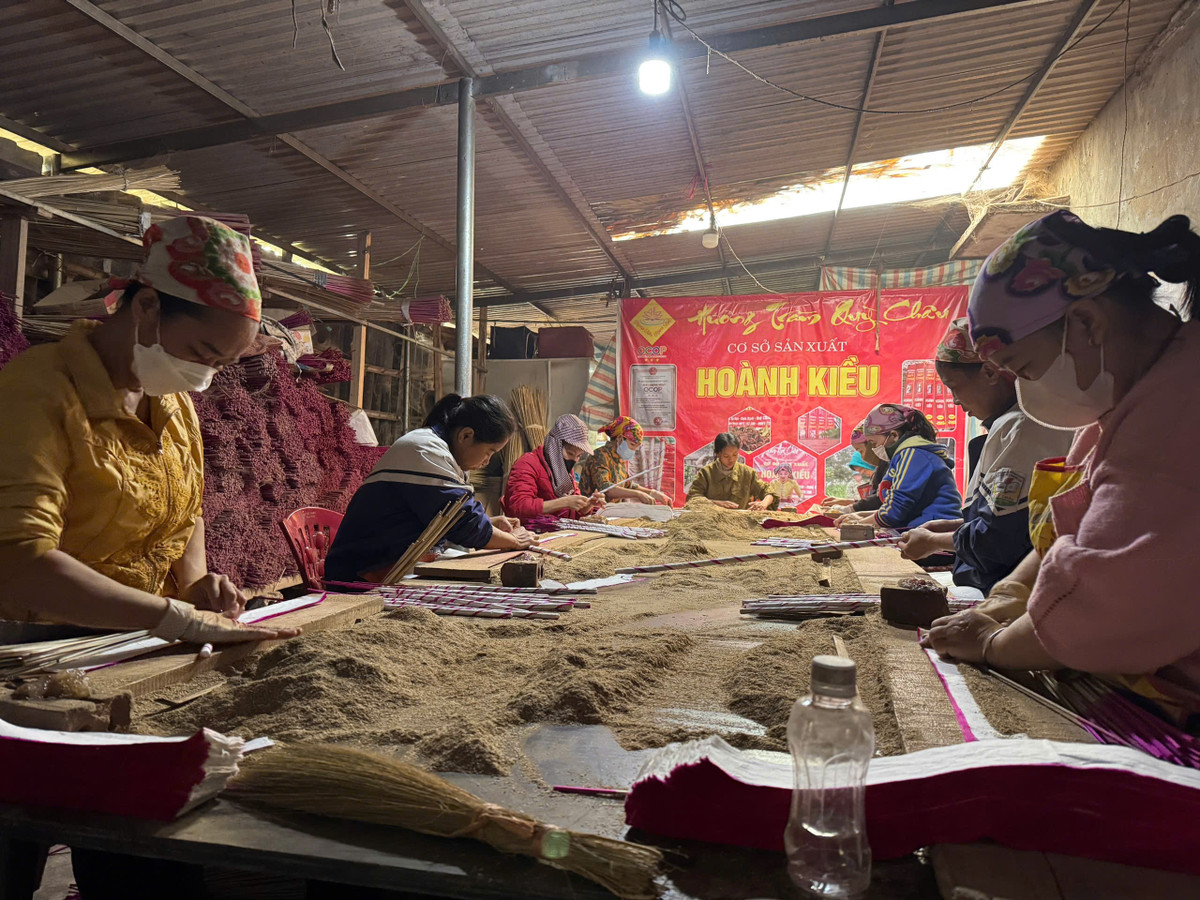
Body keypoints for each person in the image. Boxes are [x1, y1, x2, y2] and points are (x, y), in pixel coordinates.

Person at [922, 210, 1200, 715]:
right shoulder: (1130, 400)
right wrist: (1007, 596)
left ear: (1088, 323)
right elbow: (1069, 526)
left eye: (1024, 369)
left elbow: (1110, 603)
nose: (1026, 391)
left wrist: (992, 646)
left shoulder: (1175, 418)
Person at [0, 216, 299, 645]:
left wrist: (196, 588)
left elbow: (186, 512)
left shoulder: (172, 404)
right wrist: (171, 617)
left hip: (133, 637)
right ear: (146, 307)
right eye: (202, 353)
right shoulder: (38, 392)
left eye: (219, 366)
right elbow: (16, 558)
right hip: (38, 644)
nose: (204, 378)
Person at [899, 319, 1073, 593]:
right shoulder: (1014, 424)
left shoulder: (1022, 428)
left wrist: (933, 541)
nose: (955, 400)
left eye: (954, 386)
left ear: (991, 372)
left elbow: (999, 540)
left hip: (1009, 592)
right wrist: (950, 527)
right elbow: (1015, 520)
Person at [325, 393, 535, 583]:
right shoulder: (425, 450)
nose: (487, 461)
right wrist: (514, 541)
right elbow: (464, 524)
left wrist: (490, 523)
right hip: (361, 575)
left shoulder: (439, 451)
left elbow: (447, 516)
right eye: (490, 451)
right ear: (465, 436)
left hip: (390, 565)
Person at [837, 404, 961, 529]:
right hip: (922, 526)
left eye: (874, 443)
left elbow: (896, 509)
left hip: (935, 529)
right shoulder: (904, 455)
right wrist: (859, 516)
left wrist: (857, 523)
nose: (874, 449)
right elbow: (892, 507)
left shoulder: (913, 455)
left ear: (894, 435)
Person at [503, 414, 606, 522]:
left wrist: (587, 505)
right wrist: (564, 502)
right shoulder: (527, 464)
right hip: (531, 534)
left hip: (559, 533)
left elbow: (572, 514)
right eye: (570, 453)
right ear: (554, 446)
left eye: (579, 456)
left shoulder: (565, 471)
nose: (575, 460)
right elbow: (519, 506)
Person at [578, 415, 670, 505]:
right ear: (620, 438)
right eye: (632, 445)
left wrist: (653, 493)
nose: (633, 450)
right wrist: (638, 495)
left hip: (610, 512)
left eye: (636, 447)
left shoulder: (618, 459)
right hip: (591, 512)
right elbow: (606, 489)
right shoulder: (600, 456)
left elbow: (628, 485)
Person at [686, 433, 776, 510]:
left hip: (741, 524)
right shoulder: (706, 473)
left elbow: (768, 492)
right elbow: (693, 499)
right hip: (711, 524)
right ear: (718, 454)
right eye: (726, 456)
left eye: (735, 455)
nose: (731, 460)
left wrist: (764, 503)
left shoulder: (747, 473)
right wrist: (715, 503)